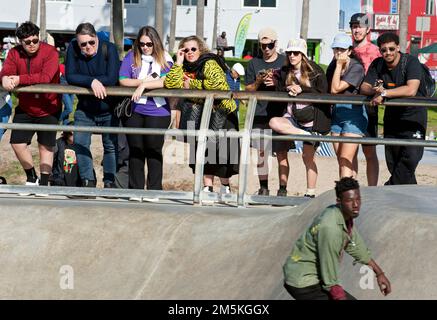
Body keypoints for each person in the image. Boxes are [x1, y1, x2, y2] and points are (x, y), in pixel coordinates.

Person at [283, 177, 391, 300]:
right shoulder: (331, 228)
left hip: (317, 278)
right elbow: (329, 275)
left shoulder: (343, 216)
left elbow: (356, 246)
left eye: (358, 199)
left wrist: (379, 273)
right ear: (339, 201)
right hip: (303, 281)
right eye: (350, 201)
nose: (356, 205)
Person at [164, 35, 239, 195]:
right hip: (199, 114)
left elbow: (217, 85)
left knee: (222, 153)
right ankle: (208, 187)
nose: (189, 52)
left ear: (201, 50)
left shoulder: (209, 63)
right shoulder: (183, 66)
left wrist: (191, 84)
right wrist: (178, 62)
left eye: (193, 49)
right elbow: (170, 83)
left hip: (222, 112)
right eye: (185, 50)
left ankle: (225, 187)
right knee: (203, 151)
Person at [0, 21, 61, 191]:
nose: (32, 45)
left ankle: (44, 183)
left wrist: (19, 79)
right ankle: (32, 177)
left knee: (45, 146)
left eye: (35, 40)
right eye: (27, 42)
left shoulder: (51, 52)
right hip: (26, 106)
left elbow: (46, 77)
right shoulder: (14, 53)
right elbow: (7, 70)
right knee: (17, 143)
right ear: (20, 42)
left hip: (49, 106)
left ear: (39, 37)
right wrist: (4, 77)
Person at [360, 32, 426, 185]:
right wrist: (375, 92)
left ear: (398, 47)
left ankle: (387, 188)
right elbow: (364, 87)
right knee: (394, 165)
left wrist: (384, 93)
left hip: (413, 119)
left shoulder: (410, 62)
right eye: (383, 50)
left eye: (391, 49)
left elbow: (411, 90)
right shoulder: (378, 64)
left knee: (409, 160)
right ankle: (410, 201)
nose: (387, 53)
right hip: (392, 121)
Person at [269, 39, 330, 198]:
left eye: (296, 53)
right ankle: (282, 189)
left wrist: (302, 89)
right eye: (289, 53)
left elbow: (323, 92)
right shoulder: (284, 71)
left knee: (307, 157)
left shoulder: (315, 71)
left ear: (303, 55)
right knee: (274, 122)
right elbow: (280, 91)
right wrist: (278, 84)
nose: (292, 56)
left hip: (312, 120)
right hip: (292, 118)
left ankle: (310, 193)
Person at [119, 26, 173, 200]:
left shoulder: (165, 58)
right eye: (141, 44)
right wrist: (143, 81)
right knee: (136, 150)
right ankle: (136, 190)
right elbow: (122, 80)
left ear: (155, 43)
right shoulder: (131, 56)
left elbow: (166, 80)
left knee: (153, 150)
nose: (145, 47)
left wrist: (143, 86)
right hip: (135, 110)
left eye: (149, 44)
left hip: (158, 111)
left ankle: (154, 190)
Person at [65, 22, 120, 189]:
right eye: (83, 44)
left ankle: (109, 182)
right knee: (80, 144)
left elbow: (111, 78)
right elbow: (70, 76)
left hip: (108, 108)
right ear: (78, 43)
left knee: (110, 146)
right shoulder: (73, 48)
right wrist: (92, 81)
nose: (88, 47)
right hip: (85, 108)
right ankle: (88, 181)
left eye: (91, 42)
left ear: (96, 38)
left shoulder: (108, 48)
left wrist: (91, 81)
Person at [245, 27, 290, 196]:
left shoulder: (285, 61)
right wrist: (258, 81)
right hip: (260, 113)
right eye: (263, 46)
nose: (266, 49)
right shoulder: (254, 63)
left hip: (281, 113)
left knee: (282, 153)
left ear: (275, 44)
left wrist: (277, 82)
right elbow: (248, 90)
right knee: (262, 153)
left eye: (269, 45)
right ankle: (263, 187)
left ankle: (283, 189)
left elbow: (291, 84)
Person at [326, 33, 366, 179]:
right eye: (336, 49)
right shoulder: (332, 66)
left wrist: (338, 65)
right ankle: (351, 191)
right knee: (342, 160)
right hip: (337, 114)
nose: (338, 52)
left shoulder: (356, 68)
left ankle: (345, 193)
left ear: (349, 50)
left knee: (345, 159)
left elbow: (335, 88)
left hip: (353, 114)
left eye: (342, 49)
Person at [350, 13, 381, 186]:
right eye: (354, 26)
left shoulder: (376, 52)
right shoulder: (346, 49)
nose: (357, 29)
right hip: (349, 105)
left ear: (368, 29)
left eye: (360, 26)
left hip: (368, 105)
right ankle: (351, 189)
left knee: (369, 150)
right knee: (350, 150)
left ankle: (372, 190)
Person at [51, 122, 81, 187]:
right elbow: (50, 161)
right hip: (60, 180)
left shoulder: (82, 145)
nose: (74, 136)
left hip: (77, 181)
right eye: (71, 133)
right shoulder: (58, 143)